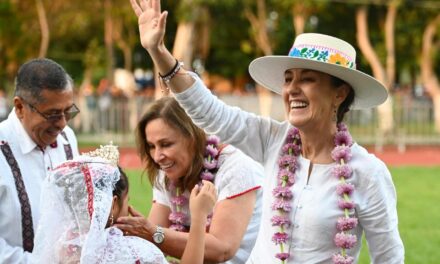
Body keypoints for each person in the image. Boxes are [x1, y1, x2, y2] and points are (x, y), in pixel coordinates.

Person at [129, 0, 405, 263]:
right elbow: (209, 111)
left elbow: (389, 258)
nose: (292, 89)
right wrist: (158, 52)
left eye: (307, 79)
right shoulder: (273, 140)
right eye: (288, 79)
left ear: (339, 94)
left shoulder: (368, 172)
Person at [115, 96, 264, 264]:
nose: (157, 156)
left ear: (193, 138)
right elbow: (151, 246)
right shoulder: (166, 172)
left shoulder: (238, 167)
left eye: (166, 144)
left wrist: (153, 233)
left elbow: (221, 249)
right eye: (151, 146)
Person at [32, 144, 217, 264]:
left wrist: (151, 233)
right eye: (127, 198)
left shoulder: (62, 246)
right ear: (112, 204)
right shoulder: (133, 252)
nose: (130, 205)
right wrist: (199, 217)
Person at [0, 58, 80, 263]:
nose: (62, 123)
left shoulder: (67, 138)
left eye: (68, 111)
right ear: (19, 107)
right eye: (52, 114)